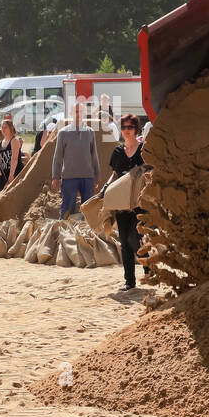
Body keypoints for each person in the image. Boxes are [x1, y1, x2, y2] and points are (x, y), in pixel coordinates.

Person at [106, 114, 147, 290]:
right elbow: (115, 174)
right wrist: (106, 188)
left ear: (136, 129)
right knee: (124, 240)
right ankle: (129, 281)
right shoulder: (117, 152)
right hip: (122, 202)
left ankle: (148, 265)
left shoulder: (143, 150)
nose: (126, 131)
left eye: (130, 127)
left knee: (135, 237)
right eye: (124, 128)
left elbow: (149, 172)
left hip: (140, 201)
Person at [51, 101, 101, 218]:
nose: (79, 114)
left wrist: (97, 175)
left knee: (88, 209)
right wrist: (55, 177)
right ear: (72, 113)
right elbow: (58, 156)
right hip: (69, 177)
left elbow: (94, 155)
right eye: (76, 111)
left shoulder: (90, 132)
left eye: (81, 111)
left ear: (84, 114)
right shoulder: (63, 133)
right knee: (67, 209)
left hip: (87, 177)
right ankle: (64, 233)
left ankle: (86, 234)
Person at [0, 118, 23, 191]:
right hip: (5, 173)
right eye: (2, 127)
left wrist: (11, 175)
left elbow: (14, 159)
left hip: (15, 172)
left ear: (11, 128)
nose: (3, 129)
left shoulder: (14, 141)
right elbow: (0, 162)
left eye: (5, 127)